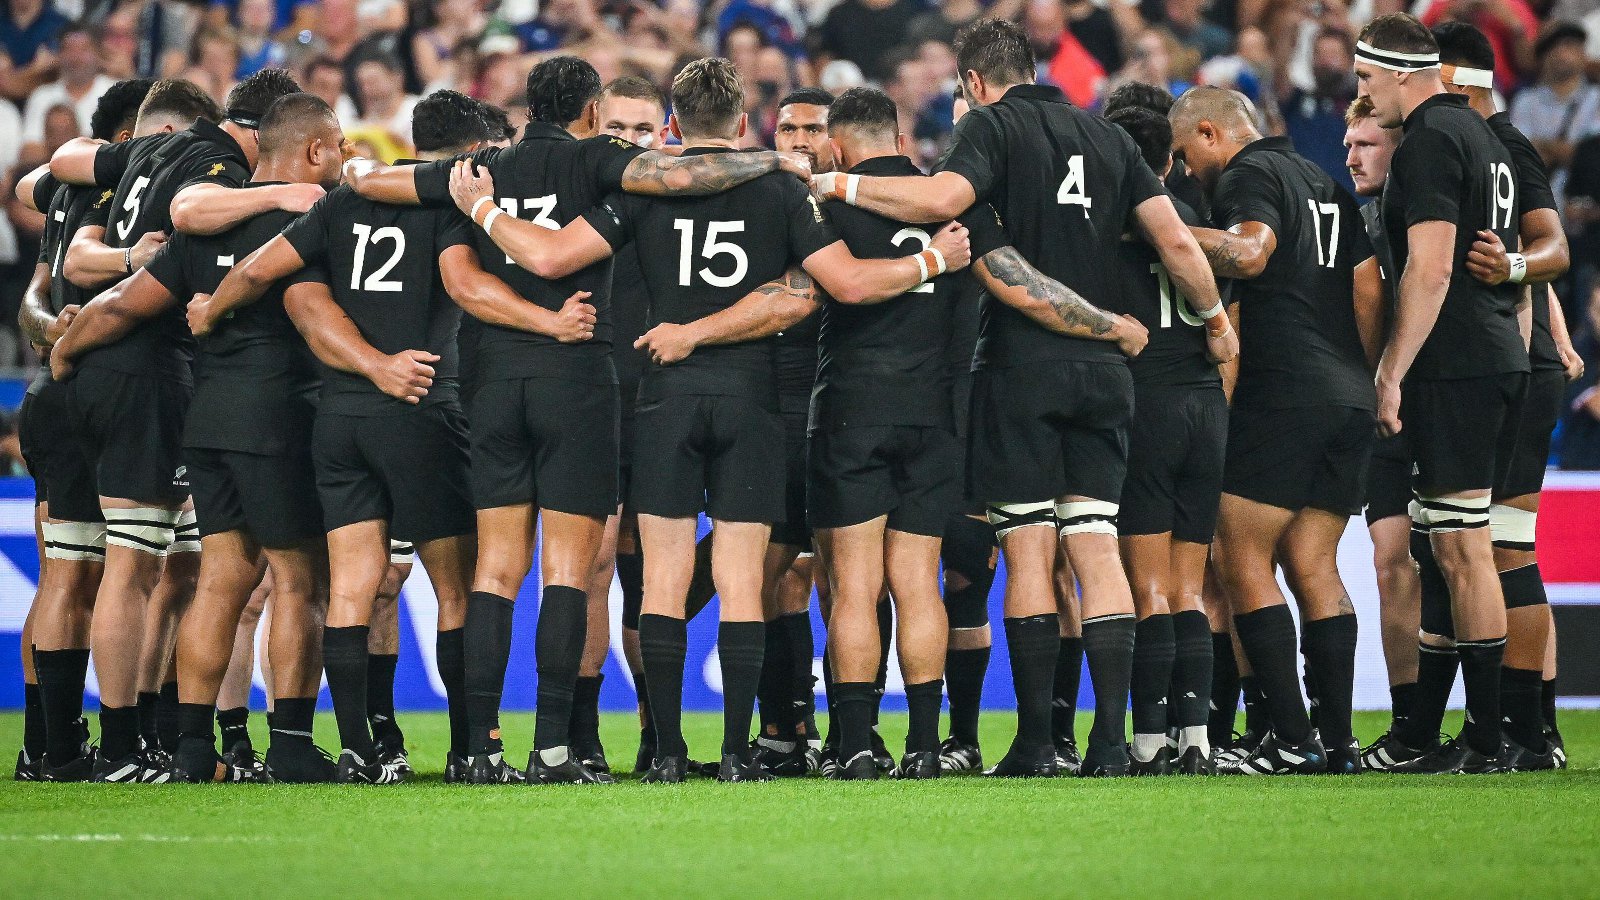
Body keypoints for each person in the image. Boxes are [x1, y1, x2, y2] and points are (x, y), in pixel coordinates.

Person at [442, 57, 973, 782]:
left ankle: (662, 752)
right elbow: (837, 285)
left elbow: (552, 252)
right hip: (752, 400)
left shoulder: (642, 193)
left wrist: (482, 209)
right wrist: (932, 261)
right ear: (746, 123)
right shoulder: (781, 190)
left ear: (670, 124)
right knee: (740, 579)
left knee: (660, 580)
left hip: (664, 396)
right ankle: (732, 755)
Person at [340, 56, 818, 785]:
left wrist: (360, 174)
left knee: (496, 571)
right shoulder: (604, 163)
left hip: (492, 381)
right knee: (572, 571)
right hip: (580, 379)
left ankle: (478, 749)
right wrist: (776, 162)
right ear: (593, 112)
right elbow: (686, 175)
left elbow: (395, 199)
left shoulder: (481, 166)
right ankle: (557, 746)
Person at [813, 18, 1227, 777]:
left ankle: (1037, 741)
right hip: (1106, 375)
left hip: (1023, 369)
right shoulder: (1108, 138)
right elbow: (1176, 242)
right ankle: (1109, 743)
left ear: (973, 82)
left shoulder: (992, 128)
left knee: (1032, 551)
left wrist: (836, 181)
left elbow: (942, 198)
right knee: (1097, 546)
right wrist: (1217, 321)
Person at [189, 90, 520, 784]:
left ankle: (356, 750)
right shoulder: (443, 209)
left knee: (349, 589)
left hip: (340, 418)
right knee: (454, 589)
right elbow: (464, 288)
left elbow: (258, 273)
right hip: (421, 404)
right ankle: (470, 750)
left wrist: (209, 312)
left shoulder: (335, 205)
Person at [49, 92, 348, 783]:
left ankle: (189, 745)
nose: (342, 158)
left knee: (221, 581)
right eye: (337, 146)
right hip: (280, 420)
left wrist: (67, 350)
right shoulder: (315, 220)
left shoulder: (210, 225)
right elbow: (317, 317)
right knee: (300, 582)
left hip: (207, 423)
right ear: (311, 151)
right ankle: (295, 746)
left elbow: (126, 303)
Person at [1171, 85, 1377, 775]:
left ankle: (1291, 737)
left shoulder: (1247, 174)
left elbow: (1250, 254)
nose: (1185, 172)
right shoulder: (1322, 178)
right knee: (1312, 562)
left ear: (1209, 133)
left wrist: (1158, 230)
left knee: (1238, 557)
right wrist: (1368, 379)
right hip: (1348, 393)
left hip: (1283, 392)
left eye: (1184, 155)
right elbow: (1368, 286)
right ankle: (1339, 740)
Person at [808, 87, 1007, 780]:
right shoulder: (952, 206)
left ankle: (859, 745)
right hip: (938, 414)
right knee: (919, 583)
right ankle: (926, 746)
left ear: (838, 147)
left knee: (856, 584)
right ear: (897, 137)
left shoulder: (827, 205)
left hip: (853, 409)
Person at [1358, 13, 1525, 774]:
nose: (1364, 95)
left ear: (1398, 72)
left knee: (1461, 548)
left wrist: (1391, 369)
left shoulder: (1427, 140)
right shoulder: (1481, 134)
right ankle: (1425, 733)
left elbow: (1431, 268)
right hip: (1487, 353)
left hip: (1454, 363)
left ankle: (1486, 739)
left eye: (1366, 80)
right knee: (1445, 544)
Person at [1414, 21, 1575, 771]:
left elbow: (1549, 251)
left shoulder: (1496, 146)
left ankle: (1520, 730)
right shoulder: (1485, 148)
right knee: (1502, 544)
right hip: (1523, 356)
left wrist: (1512, 266)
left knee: (1503, 548)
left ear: (1453, 81)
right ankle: (1531, 730)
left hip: (1505, 362)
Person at [10, 78, 154, 782]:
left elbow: (37, 293)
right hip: (115, 386)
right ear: (132, 135)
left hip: (53, 391)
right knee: (132, 569)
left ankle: (47, 745)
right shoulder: (125, 185)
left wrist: (48, 328)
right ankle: (126, 741)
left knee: (62, 574)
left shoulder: (67, 194)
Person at [1103, 105, 1230, 775]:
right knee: (1190, 588)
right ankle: (1197, 739)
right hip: (1207, 408)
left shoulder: (1113, 227)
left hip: (1147, 407)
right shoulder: (1200, 223)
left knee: (1147, 587)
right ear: (1171, 159)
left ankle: (1149, 741)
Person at [1340, 95, 1424, 770]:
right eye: (1348, 143)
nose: (1351, 155)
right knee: (1390, 562)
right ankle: (1407, 727)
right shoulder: (1356, 223)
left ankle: (1517, 723)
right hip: (1388, 418)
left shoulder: (1433, 209)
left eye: (1366, 143)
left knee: (1470, 560)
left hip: (1448, 403)